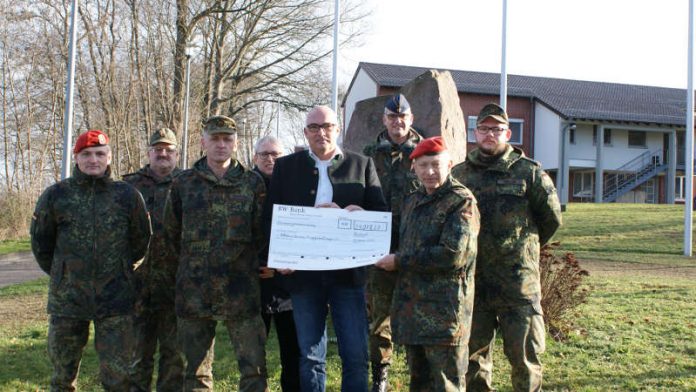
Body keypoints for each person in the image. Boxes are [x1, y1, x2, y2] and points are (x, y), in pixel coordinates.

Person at [264, 105, 387, 392]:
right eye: (314, 127)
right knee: (309, 356)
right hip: (303, 275)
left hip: (348, 276)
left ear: (338, 128)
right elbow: (271, 218)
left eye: (328, 126)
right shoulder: (286, 167)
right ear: (305, 133)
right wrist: (279, 257)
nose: (322, 132)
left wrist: (358, 211)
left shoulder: (362, 164)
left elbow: (380, 213)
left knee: (356, 355)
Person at [451, 103, 562, 392]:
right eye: (484, 128)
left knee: (525, 359)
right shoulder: (460, 174)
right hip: (475, 283)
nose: (490, 134)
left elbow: (550, 219)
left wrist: (522, 250)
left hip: (518, 284)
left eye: (496, 129)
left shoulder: (530, 173)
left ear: (508, 133)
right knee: (472, 360)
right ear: (475, 132)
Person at [30, 129, 152, 391]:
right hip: (68, 301)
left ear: (109, 157)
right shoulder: (56, 195)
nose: (93, 160)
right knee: (62, 377)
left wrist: (120, 269)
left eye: (99, 154)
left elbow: (141, 239)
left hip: (116, 299)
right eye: (86, 154)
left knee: (118, 379)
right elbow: (41, 244)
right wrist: (63, 273)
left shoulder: (127, 196)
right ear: (76, 158)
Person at [163, 115, 269, 391]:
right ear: (203, 142)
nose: (221, 144)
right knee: (196, 373)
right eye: (215, 139)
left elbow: (262, 234)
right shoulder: (183, 183)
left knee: (254, 370)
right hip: (194, 290)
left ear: (235, 143)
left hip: (241, 289)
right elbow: (171, 234)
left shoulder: (252, 183)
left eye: (227, 139)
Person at [375, 136, 479, 391]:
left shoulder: (461, 201)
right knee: (419, 384)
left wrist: (399, 261)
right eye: (423, 165)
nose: (430, 172)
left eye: (436, 164)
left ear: (450, 164)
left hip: (444, 316)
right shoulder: (413, 200)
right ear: (414, 168)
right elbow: (396, 234)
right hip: (414, 314)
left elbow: (451, 255)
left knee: (447, 384)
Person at [362, 93, 422, 392]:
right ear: (384, 120)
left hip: (416, 247)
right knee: (379, 315)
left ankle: (418, 371)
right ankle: (380, 373)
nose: (397, 122)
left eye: (403, 117)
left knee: (416, 313)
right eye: (392, 117)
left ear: (410, 119)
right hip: (378, 247)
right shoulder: (369, 154)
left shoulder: (425, 152)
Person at [123, 128, 184, 391]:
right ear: (148, 153)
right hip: (138, 287)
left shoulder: (188, 183)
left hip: (176, 286)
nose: (163, 154)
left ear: (176, 154)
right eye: (157, 149)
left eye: (168, 150)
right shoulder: (128, 186)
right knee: (136, 358)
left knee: (174, 359)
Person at [252, 135, 301, 392]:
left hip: (289, 287)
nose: (270, 159)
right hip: (254, 286)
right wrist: (260, 264)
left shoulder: (296, 186)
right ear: (255, 158)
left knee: (292, 356)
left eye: (276, 154)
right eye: (265, 154)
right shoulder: (245, 186)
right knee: (253, 359)